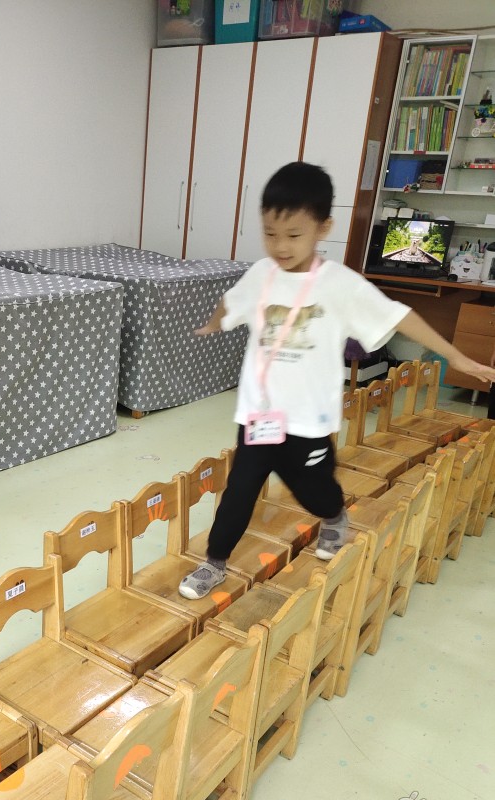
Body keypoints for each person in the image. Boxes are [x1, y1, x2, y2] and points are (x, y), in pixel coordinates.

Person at [179, 161, 495, 600]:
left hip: (309, 421)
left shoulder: (339, 284)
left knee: (312, 490)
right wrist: (215, 322)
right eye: (270, 233)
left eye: (294, 235)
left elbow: (399, 317)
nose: (280, 246)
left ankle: (333, 515)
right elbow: (233, 301)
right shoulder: (261, 274)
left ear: (323, 227)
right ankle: (214, 563)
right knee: (240, 489)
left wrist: (457, 356)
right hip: (258, 414)